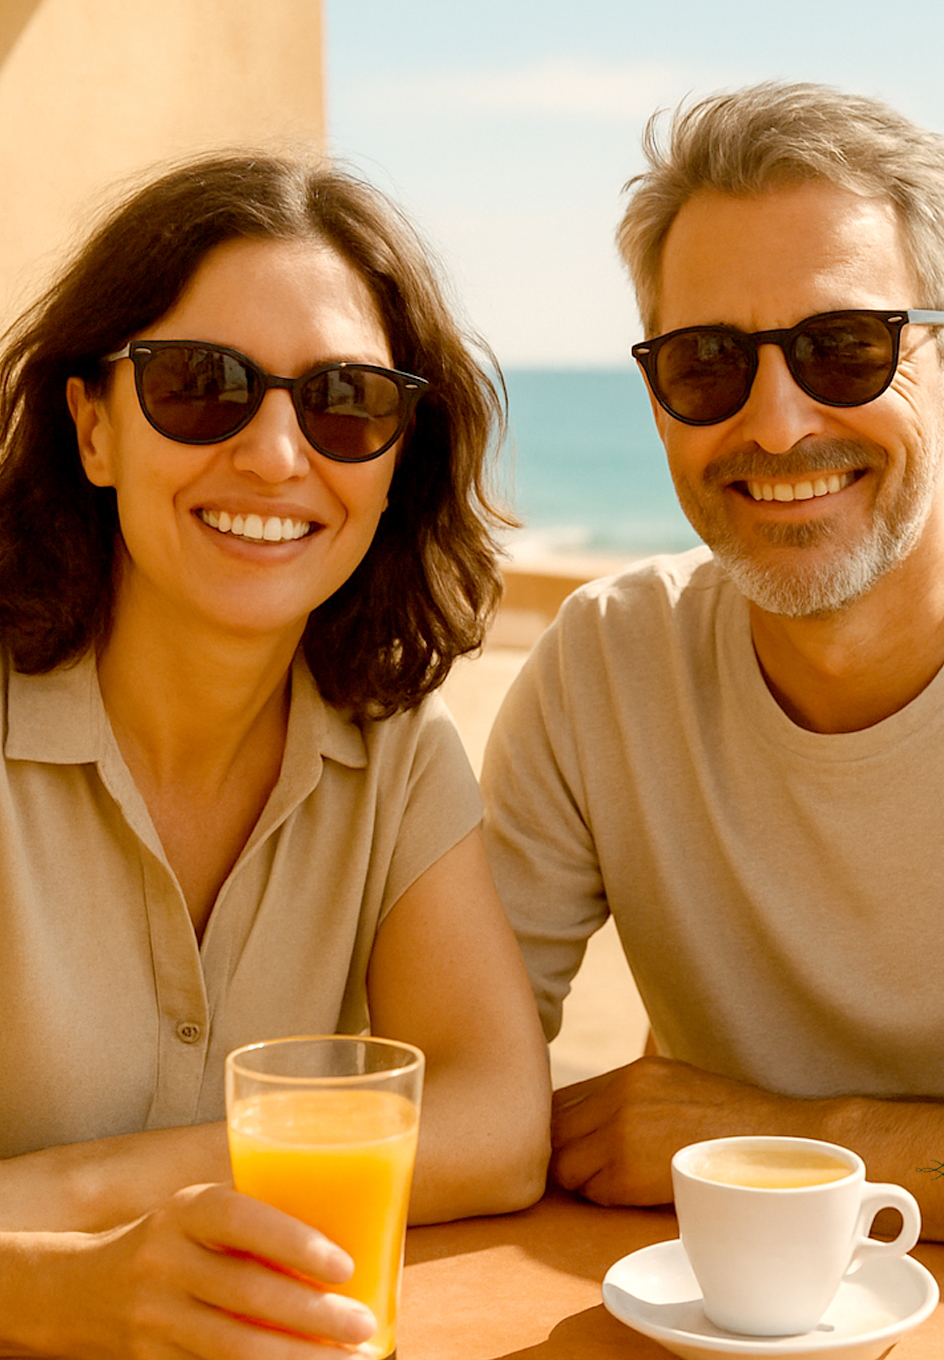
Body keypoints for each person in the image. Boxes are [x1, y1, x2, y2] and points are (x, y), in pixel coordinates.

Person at [0, 150, 550, 1356]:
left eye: (345, 400)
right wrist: (50, 1291)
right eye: (203, 386)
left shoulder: (394, 748)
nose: (276, 454)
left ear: (397, 456)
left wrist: (78, 1197)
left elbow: (499, 1120)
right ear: (93, 428)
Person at [481, 81, 944, 1253]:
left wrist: (782, 1141)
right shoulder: (603, 669)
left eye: (843, 348)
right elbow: (468, 1091)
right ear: (658, 398)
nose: (775, 425)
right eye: (708, 362)